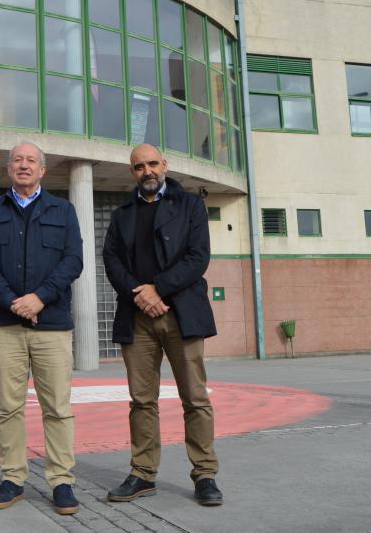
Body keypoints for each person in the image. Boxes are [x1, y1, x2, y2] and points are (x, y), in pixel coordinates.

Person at [102, 143, 223, 507]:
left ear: (165, 165)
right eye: (139, 166)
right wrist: (139, 293)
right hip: (137, 318)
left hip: (181, 314)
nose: (147, 171)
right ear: (132, 172)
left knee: (195, 399)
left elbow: (198, 257)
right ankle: (142, 473)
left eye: (153, 163)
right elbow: (110, 258)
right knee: (141, 401)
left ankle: (205, 475)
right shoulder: (122, 214)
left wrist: (159, 289)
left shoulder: (190, 206)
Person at [0, 141, 84, 515]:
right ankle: (13, 478)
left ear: (42, 170)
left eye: (30, 160)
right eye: (17, 160)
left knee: (58, 408)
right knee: (8, 407)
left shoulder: (63, 210)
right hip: (4, 324)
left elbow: (73, 261)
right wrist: (13, 302)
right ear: (9, 169)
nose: (23, 165)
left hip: (51, 324)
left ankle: (61, 481)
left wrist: (39, 298)